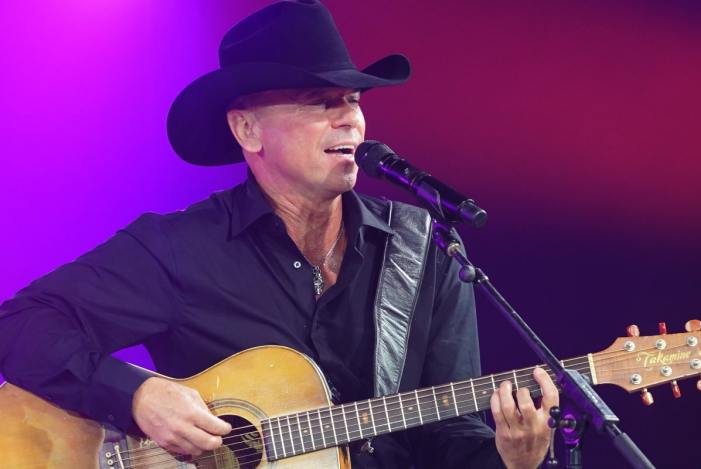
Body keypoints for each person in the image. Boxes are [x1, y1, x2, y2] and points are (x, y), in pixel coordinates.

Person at [0, 1, 557, 467]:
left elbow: (449, 437)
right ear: (247, 129)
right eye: (321, 103)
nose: (352, 121)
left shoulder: (423, 248)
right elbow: (19, 325)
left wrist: (511, 459)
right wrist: (137, 395)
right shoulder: (180, 249)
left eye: (354, 100)